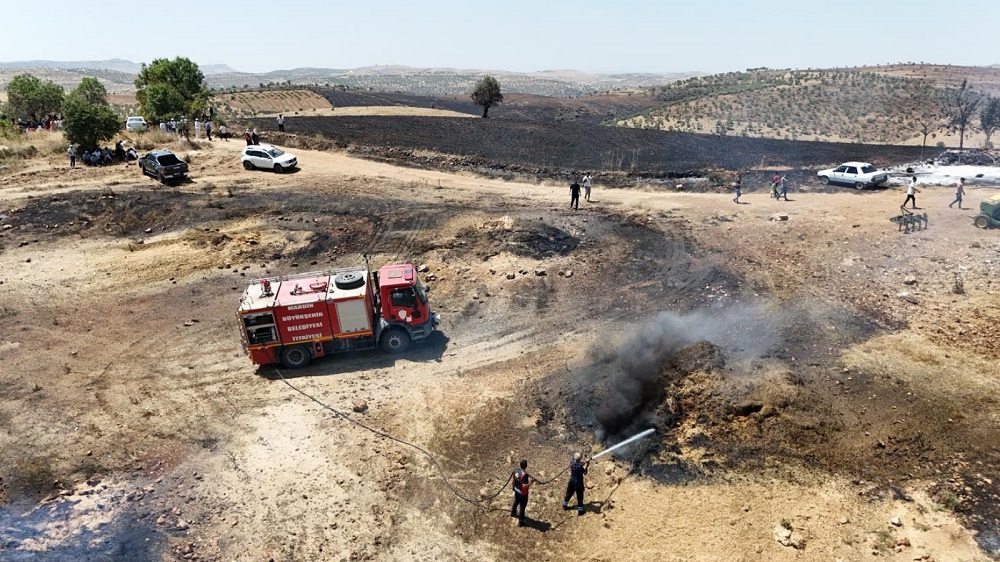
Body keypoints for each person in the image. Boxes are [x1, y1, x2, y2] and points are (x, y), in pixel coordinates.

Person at [510, 459, 532, 527]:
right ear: (526, 466)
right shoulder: (525, 475)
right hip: (523, 493)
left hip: (517, 490)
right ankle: (521, 521)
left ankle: (513, 512)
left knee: (516, 501)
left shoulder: (516, 471)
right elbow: (524, 486)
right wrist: (532, 482)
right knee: (522, 507)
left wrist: (513, 487)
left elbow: (513, 480)